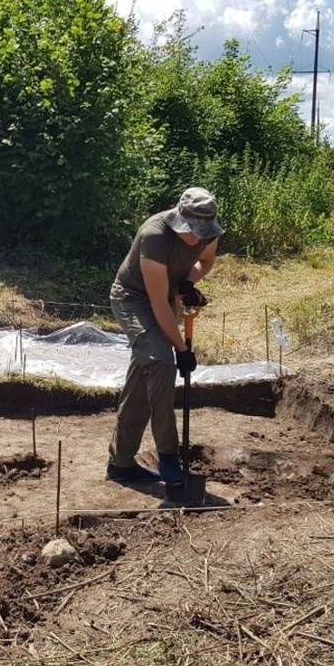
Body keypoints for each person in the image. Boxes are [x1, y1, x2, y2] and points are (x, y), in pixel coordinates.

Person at [107, 187, 222, 485]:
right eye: (191, 230)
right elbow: (157, 303)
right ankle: (169, 455)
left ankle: (120, 463)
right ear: (179, 219)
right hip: (133, 299)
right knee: (161, 361)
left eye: (201, 231)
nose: (196, 237)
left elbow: (206, 261)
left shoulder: (209, 232)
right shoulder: (155, 236)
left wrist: (187, 282)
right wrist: (181, 350)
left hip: (164, 296)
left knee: (147, 374)